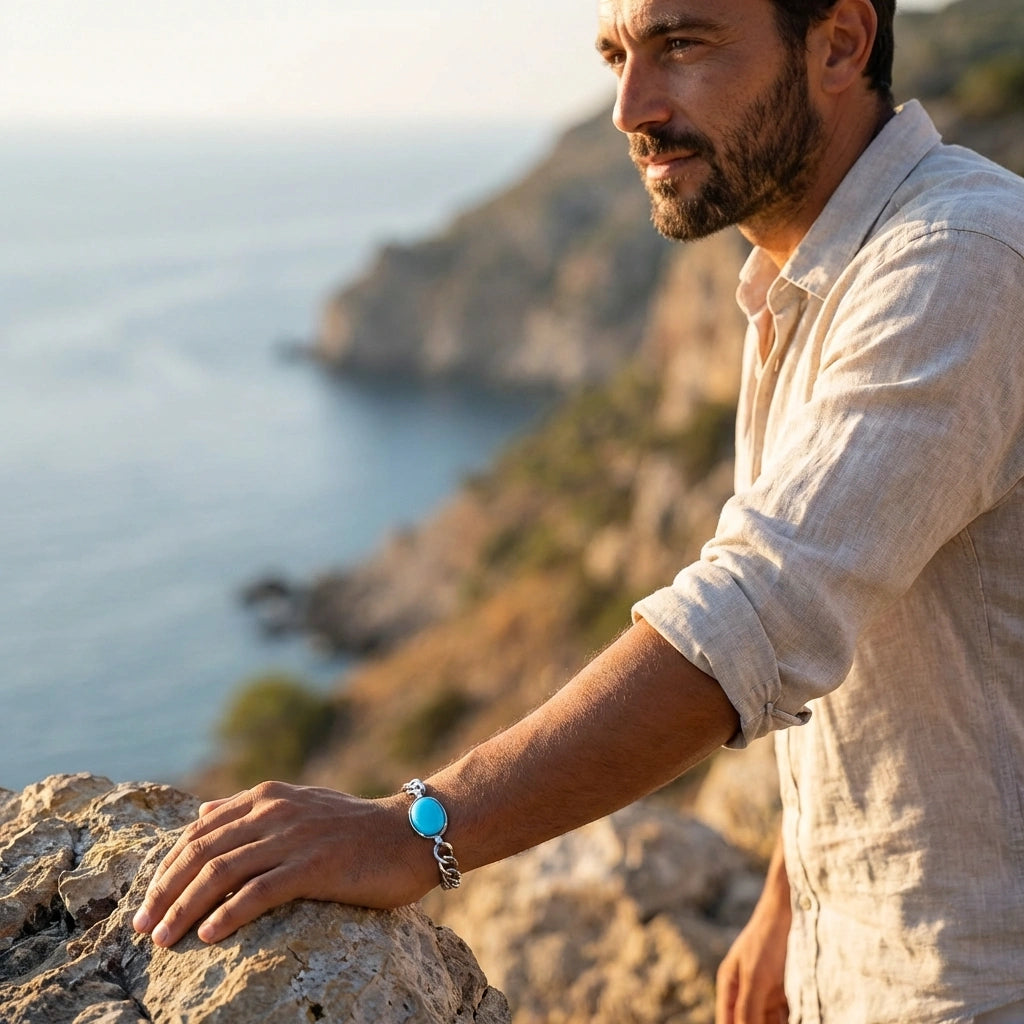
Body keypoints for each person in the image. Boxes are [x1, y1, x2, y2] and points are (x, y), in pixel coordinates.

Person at [133, 0, 1024, 1020]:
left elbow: (758, 616)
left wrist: (414, 827)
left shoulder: (960, 261)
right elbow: (856, 613)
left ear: (838, 42)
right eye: (616, 56)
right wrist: (795, 895)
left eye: (682, 45)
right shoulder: (807, 275)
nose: (629, 107)